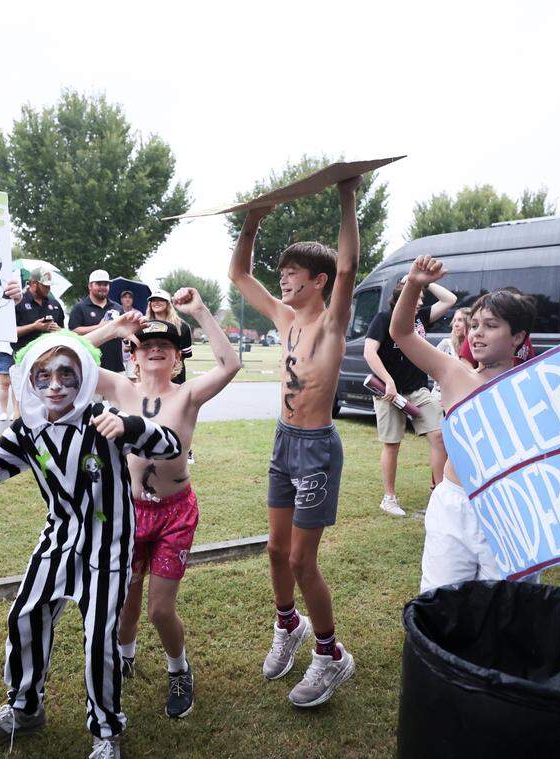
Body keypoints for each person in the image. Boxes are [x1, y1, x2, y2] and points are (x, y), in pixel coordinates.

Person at [0, 331, 181, 758]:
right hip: (59, 539)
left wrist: (130, 425)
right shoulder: (28, 429)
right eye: (43, 375)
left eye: (66, 374)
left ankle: (106, 731)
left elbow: (170, 446)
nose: (54, 385)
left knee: (99, 637)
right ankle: (24, 706)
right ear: (29, 381)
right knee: (25, 616)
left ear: (84, 376)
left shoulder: (101, 417)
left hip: (109, 546)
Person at [388, 255, 560, 592]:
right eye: (474, 325)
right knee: (442, 601)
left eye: (490, 326)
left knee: (505, 607)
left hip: (514, 511)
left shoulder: (542, 382)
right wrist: (415, 283)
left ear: (518, 337)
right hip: (455, 504)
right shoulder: (453, 372)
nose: (476, 334)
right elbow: (401, 332)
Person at [227, 177, 361, 708]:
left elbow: (350, 267)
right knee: (276, 551)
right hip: (283, 444)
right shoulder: (282, 317)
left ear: (319, 280)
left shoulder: (332, 323)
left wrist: (348, 195)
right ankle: (289, 625)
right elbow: (238, 273)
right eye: (281, 273)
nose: (282, 280)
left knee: (304, 561)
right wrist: (252, 222)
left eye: (292, 274)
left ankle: (330, 655)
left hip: (317, 450)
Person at [85, 289, 240, 720]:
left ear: (177, 358)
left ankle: (179, 669)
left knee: (159, 608)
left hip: (175, 512)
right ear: (132, 355)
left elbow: (231, 364)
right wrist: (113, 329)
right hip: (130, 511)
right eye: (146, 345)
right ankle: (125, 656)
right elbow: (62, 356)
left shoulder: (187, 395)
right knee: (127, 601)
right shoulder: (118, 386)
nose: (154, 350)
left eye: (165, 346)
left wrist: (200, 312)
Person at [363, 279, 457, 516]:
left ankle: (438, 495)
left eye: (421, 300)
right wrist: (388, 380)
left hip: (418, 390)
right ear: (402, 297)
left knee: (438, 436)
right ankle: (389, 498)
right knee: (392, 444)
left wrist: (425, 281)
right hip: (389, 392)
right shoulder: (384, 318)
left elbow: (450, 300)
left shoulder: (420, 318)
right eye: (415, 298)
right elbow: (369, 352)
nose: (419, 304)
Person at [1, 264, 64, 420]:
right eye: (45, 285)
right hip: (24, 359)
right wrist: (34, 327)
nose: (48, 289)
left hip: (50, 360)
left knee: (47, 401)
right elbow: (8, 332)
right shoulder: (17, 302)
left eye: (50, 286)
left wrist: (58, 330)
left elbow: (64, 331)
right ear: (34, 283)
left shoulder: (54, 304)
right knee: (25, 402)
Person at [68, 269, 124, 374]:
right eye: (99, 284)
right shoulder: (80, 307)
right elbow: (74, 331)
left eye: (106, 284)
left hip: (116, 366)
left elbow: (122, 331)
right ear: (90, 286)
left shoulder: (118, 307)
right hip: (89, 367)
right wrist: (100, 327)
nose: (103, 287)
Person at [146, 288, 194, 384]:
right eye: (153, 300)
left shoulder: (182, 326)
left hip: (174, 375)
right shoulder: (143, 325)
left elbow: (185, 354)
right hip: (150, 373)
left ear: (168, 303)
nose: (156, 302)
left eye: (160, 299)